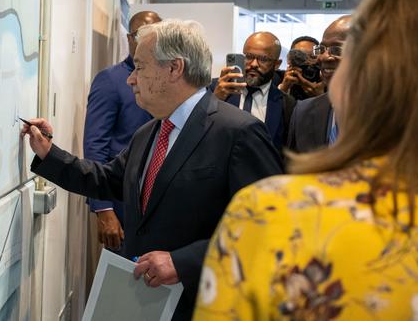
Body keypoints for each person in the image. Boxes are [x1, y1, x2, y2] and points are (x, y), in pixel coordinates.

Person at [194, 0, 418, 320]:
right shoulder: (297, 112)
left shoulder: (268, 216)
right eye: (322, 53)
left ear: (373, 72)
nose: (327, 62)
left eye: (344, 54)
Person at [22, 20, 283, 320]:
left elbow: (268, 230)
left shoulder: (238, 132)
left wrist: (183, 263)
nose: (131, 80)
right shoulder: (150, 132)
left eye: (140, 67)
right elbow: (108, 180)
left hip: (204, 305)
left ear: (174, 69)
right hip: (146, 302)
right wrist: (47, 153)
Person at [83, 11, 160, 252]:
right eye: (142, 34)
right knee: (123, 281)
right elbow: (95, 146)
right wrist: (103, 209)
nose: (150, 40)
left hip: (157, 203)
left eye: (157, 34)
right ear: (129, 38)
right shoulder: (111, 80)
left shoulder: (164, 79)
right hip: (121, 204)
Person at [211, 32, 296, 150]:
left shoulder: (287, 105)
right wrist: (214, 100)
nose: (254, 64)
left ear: (277, 64)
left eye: (263, 59)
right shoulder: (214, 89)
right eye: (249, 57)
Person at [286, 15, 351, 153]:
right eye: (321, 49)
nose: (323, 57)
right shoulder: (303, 112)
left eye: (337, 50)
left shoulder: (396, 113)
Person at [279, 36, 325, 100]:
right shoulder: (277, 79)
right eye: (300, 58)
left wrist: (322, 97)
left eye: (313, 57)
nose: (308, 62)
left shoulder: (328, 83)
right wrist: (283, 89)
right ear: (290, 62)